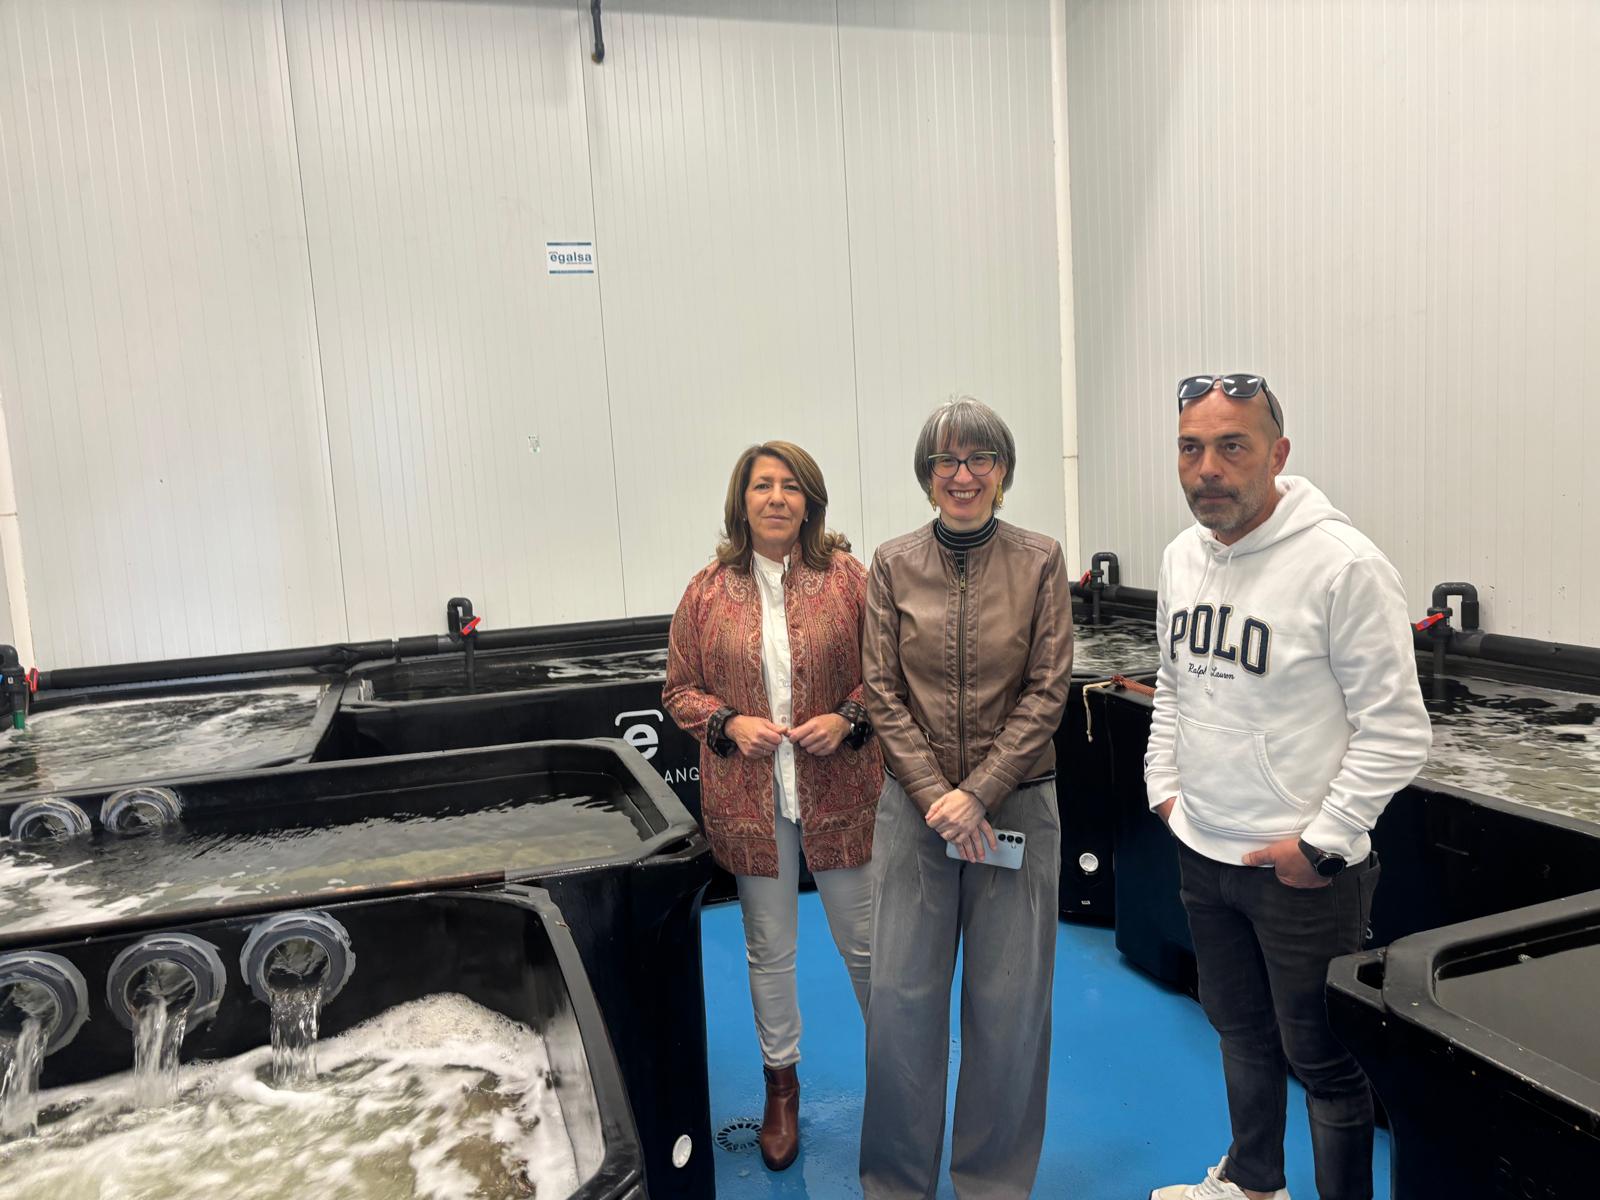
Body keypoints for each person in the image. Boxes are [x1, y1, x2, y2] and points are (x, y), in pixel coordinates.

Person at [1145, 375, 1431, 1200]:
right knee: (1238, 1029)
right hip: (1204, 850)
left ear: (1278, 454)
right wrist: (1165, 787)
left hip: (1300, 873)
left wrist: (1322, 843)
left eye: (1231, 446)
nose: (1208, 468)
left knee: (1325, 1059)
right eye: (1191, 448)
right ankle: (1253, 1183)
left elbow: (1397, 729)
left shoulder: (1344, 567)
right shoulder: (1180, 557)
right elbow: (1174, 684)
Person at [859, 396, 1074, 1200]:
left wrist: (980, 792)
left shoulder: (1041, 561)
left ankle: (991, 1183)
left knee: (1010, 1007)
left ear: (1003, 471)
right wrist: (935, 794)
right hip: (915, 816)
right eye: (946, 461)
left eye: (980, 458)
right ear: (926, 475)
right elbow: (881, 691)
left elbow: (1048, 690)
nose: (963, 474)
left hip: (1018, 809)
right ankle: (895, 1183)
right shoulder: (891, 564)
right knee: (900, 1003)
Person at [662, 440, 882, 1172]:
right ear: (743, 500)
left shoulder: (849, 580)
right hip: (752, 803)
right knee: (769, 947)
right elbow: (679, 691)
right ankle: (781, 1088)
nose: (777, 498)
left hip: (842, 791)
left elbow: (888, 675)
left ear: (810, 500)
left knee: (867, 944)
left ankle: (900, 1079)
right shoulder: (705, 592)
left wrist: (846, 718)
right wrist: (728, 723)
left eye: (791, 486)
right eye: (763, 485)